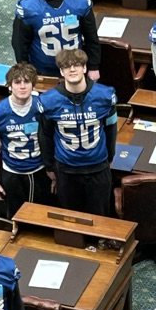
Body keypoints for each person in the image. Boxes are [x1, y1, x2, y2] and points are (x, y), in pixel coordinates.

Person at [38, 48, 117, 217]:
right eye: (67, 66)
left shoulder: (104, 95)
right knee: (71, 218)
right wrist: (50, 166)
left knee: (101, 217)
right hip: (67, 169)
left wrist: (110, 157)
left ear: (85, 68)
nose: (72, 69)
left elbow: (111, 129)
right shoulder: (49, 101)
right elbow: (45, 136)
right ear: (61, 71)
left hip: (97, 166)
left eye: (76, 65)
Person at [0, 62, 54, 217]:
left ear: (33, 85)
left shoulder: (43, 107)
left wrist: (54, 171)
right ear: (9, 86)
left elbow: (53, 140)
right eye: (17, 82)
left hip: (40, 170)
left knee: (43, 216)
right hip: (12, 172)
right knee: (15, 217)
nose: (22, 86)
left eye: (27, 82)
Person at [12, 0, 101, 79]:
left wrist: (94, 67)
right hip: (43, 71)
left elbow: (91, 37)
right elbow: (19, 44)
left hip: (75, 69)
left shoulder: (79, 1)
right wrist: (25, 72)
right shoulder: (28, 7)